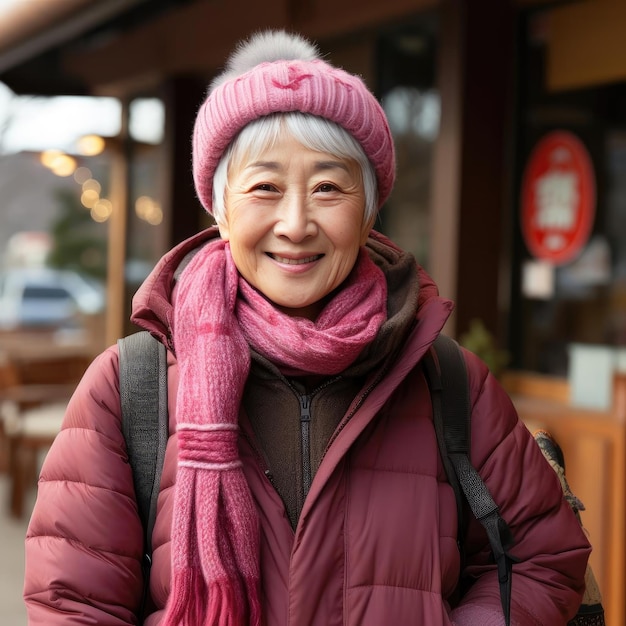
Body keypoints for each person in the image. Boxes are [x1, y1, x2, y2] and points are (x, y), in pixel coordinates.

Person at [23, 29, 590, 626]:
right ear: (219, 208)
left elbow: (544, 560)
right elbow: (73, 603)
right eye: (264, 188)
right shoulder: (128, 385)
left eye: (327, 188)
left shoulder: (448, 379)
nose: (295, 224)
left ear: (369, 209)